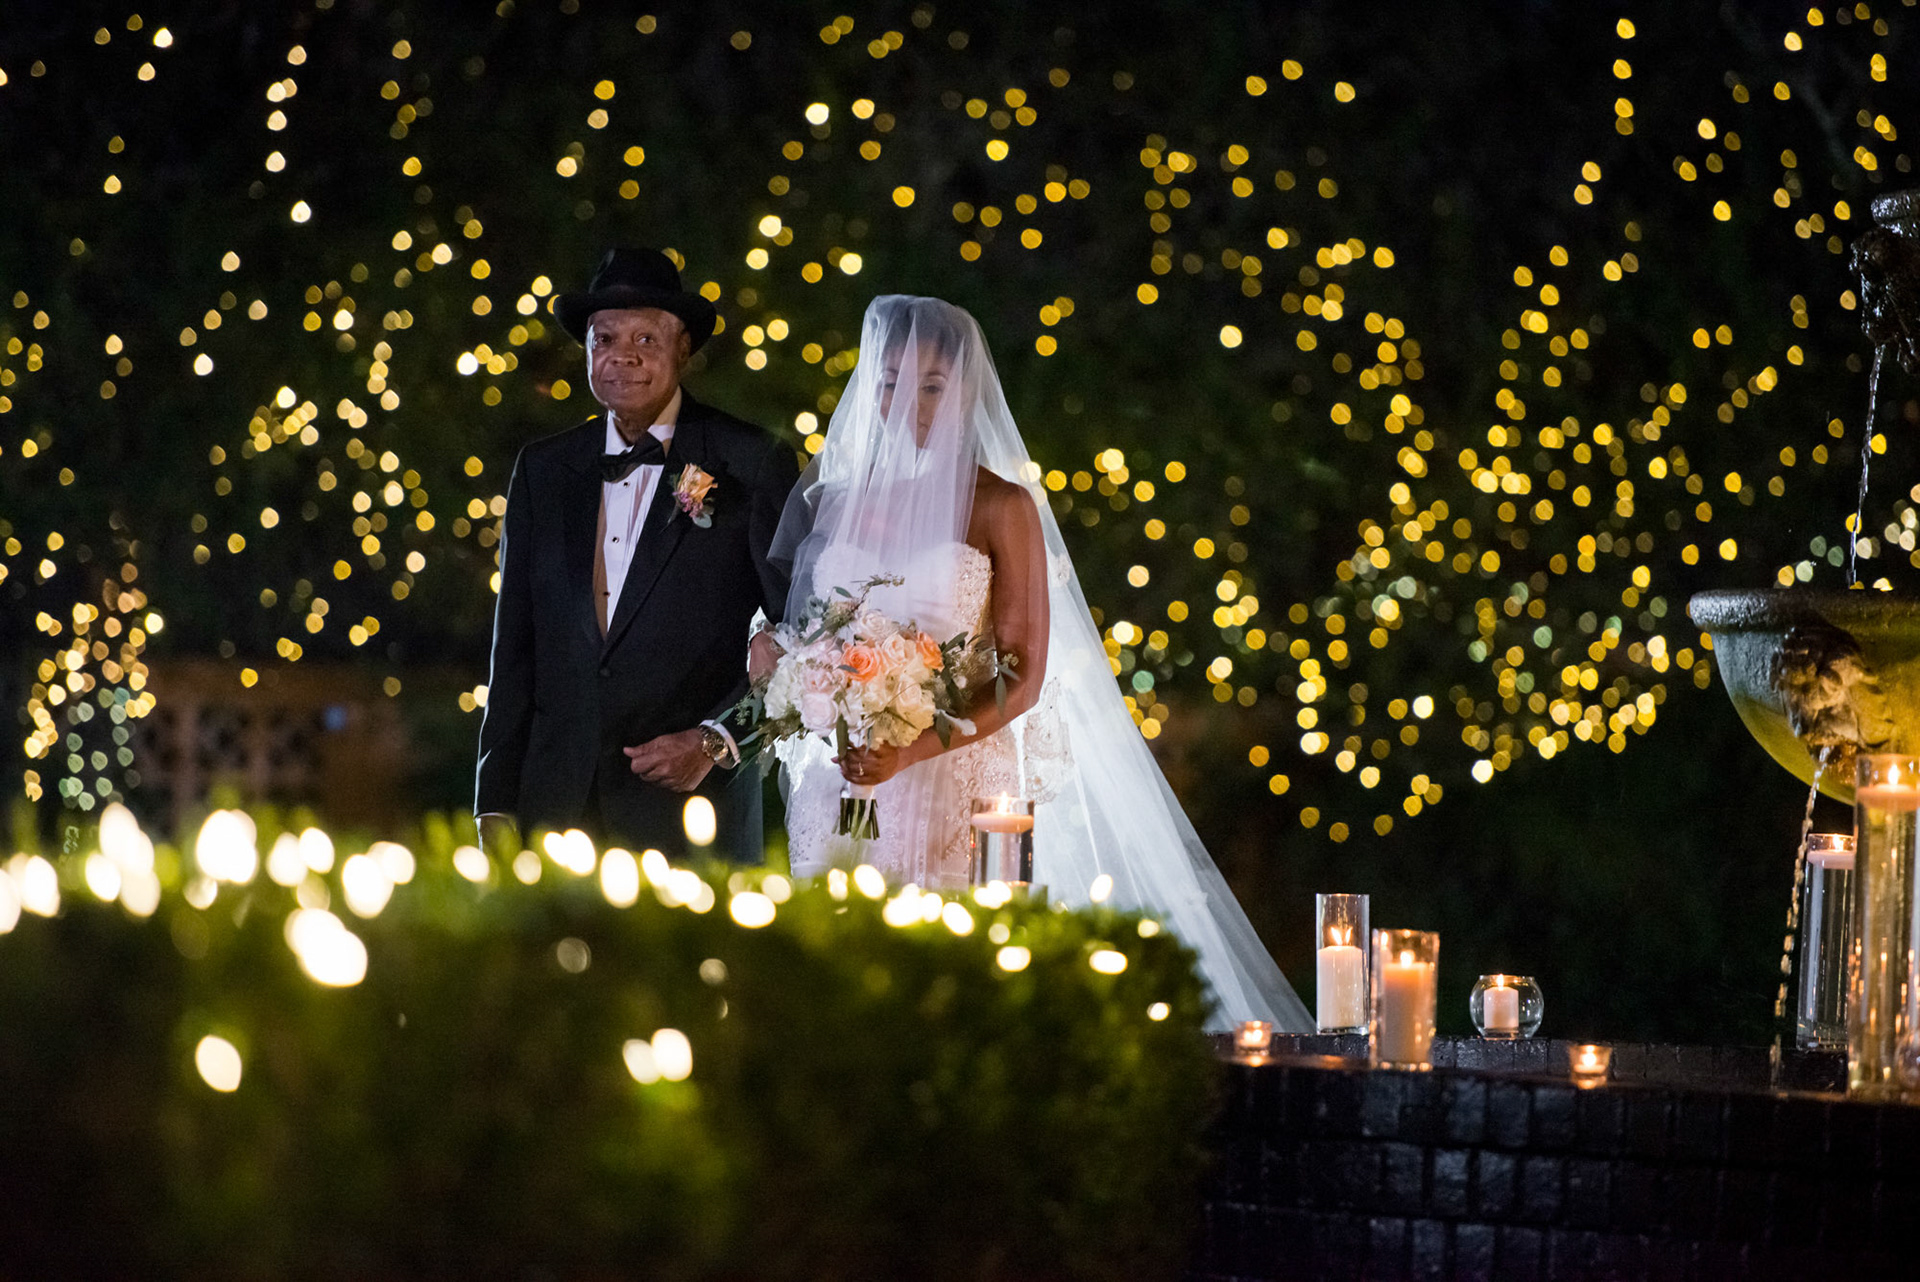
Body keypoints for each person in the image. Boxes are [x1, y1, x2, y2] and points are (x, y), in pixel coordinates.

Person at [770, 296, 1308, 1030]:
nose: (905, 402)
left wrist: (915, 749)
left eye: (931, 384)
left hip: (951, 777)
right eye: (889, 380)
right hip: (840, 778)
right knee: (833, 979)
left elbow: (1022, 677)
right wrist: (791, 671)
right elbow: (800, 636)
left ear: (966, 392)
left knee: (944, 990)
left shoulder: (1002, 506)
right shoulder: (829, 500)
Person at [476, 248, 798, 859]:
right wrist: (493, 797)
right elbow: (513, 647)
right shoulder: (542, 470)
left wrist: (717, 742)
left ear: (683, 349)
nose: (621, 354)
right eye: (605, 339)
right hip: (556, 807)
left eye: (646, 337)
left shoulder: (751, 461)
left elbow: (805, 637)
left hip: (694, 811)